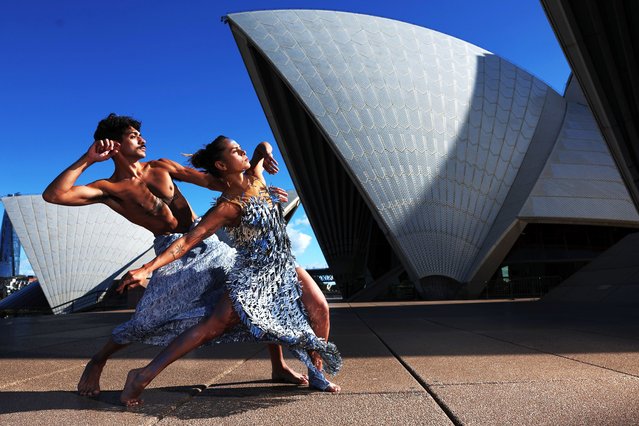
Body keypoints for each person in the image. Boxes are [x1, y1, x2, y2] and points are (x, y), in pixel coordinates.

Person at [42, 113, 331, 397]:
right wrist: (88, 159)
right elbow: (54, 195)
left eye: (140, 134)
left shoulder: (161, 167)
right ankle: (98, 360)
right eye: (133, 136)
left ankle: (278, 365)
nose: (142, 139)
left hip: (208, 244)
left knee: (258, 293)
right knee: (147, 320)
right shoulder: (108, 188)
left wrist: (255, 190)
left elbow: (213, 182)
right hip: (172, 251)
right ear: (114, 145)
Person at [119, 135, 341, 406]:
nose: (243, 152)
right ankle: (142, 375)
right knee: (213, 326)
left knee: (320, 308)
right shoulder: (227, 207)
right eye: (236, 151)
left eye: (241, 148)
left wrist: (267, 154)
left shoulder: (255, 176)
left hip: (283, 264)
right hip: (253, 273)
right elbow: (188, 241)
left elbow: (261, 148)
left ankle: (316, 373)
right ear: (222, 165)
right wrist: (147, 268)